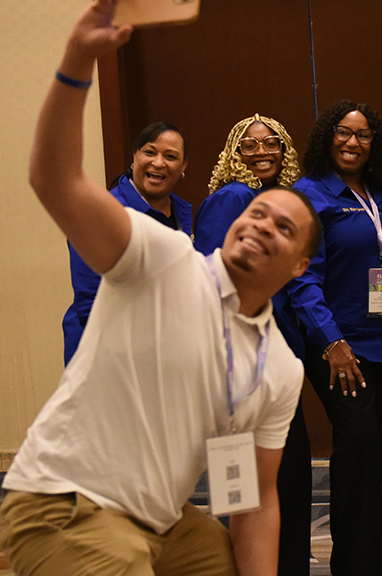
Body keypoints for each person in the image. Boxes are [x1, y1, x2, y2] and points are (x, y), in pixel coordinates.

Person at [0, 3, 322, 575]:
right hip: (68, 502)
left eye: (284, 226)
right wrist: (77, 60)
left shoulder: (276, 368)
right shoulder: (163, 257)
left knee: (223, 561)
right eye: (257, 212)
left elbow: (250, 498)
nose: (260, 223)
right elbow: (53, 179)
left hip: (164, 522)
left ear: (300, 266)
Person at [291, 100, 382, 576]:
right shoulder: (309, 195)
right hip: (341, 349)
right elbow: (301, 279)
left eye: (363, 135)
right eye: (344, 132)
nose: (352, 143)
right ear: (328, 136)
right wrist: (331, 342)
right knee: (358, 452)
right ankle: (354, 565)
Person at [193, 114, 313, 576]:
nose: (262, 151)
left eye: (272, 143)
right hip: (239, 364)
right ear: (233, 153)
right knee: (244, 488)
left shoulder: (281, 199)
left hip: (274, 357)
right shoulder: (234, 198)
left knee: (281, 479)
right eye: (249, 144)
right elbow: (217, 281)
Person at [61, 120, 191, 365]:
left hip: (162, 352)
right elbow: (91, 302)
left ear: (183, 167)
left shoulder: (181, 213)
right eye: (150, 152)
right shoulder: (100, 214)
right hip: (108, 354)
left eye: (170, 156)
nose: (158, 163)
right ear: (135, 158)